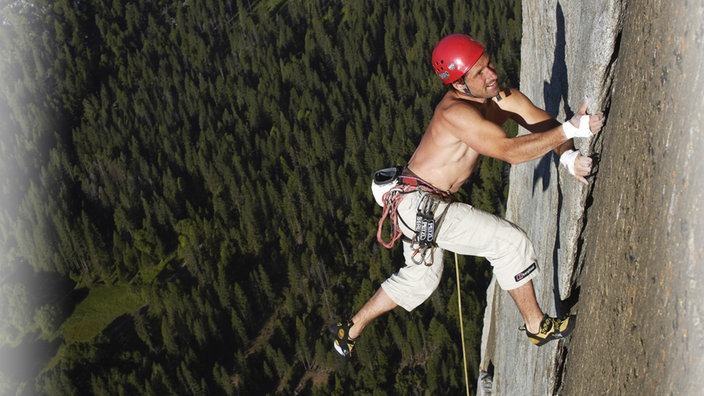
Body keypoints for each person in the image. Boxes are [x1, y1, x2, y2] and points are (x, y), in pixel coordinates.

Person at [331, 34, 605, 358]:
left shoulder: (499, 97)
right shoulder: (456, 114)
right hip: (421, 206)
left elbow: (540, 123)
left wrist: (567, 157)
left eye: (489, 63)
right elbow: (509, 151)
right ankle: (537, 326)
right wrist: (570, 131)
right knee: (508, 242)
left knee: (420, 278)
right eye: (480, 73)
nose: (491, 74)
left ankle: (351, 328)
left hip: (414, 203)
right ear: (459, 85)